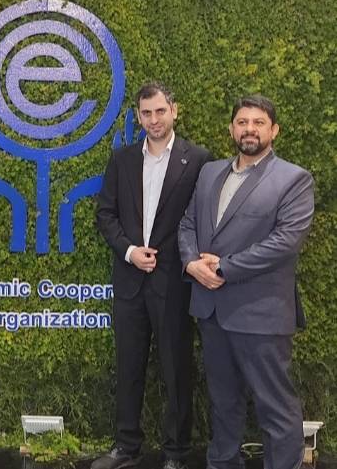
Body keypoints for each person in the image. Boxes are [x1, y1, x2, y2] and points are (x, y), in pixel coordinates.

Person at [178, 94, 314, 469]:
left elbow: (284, 243)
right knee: (223, 403)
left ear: (274, 130)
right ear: (231, 129)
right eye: (242, 122)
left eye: (258, 122)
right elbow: (188, 224)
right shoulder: (210, 172)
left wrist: (224, 268)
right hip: (211, 311)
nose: (249, 129)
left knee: (275, 408)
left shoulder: (293, 179)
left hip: (261, 314)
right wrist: (191, 263)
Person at [94, 82, 211, 469]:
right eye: (146, 113)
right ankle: (126, 446)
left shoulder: (198, 159)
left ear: (173, 110)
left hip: (174, 284)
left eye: (160, 111)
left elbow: (202, 220)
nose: (154, 119)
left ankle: (176, 453)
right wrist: (129, 251)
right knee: (128, 367)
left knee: (176, 371)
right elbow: (105, 214)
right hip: (130, 282)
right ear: (138, 116)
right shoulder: (122, 159)